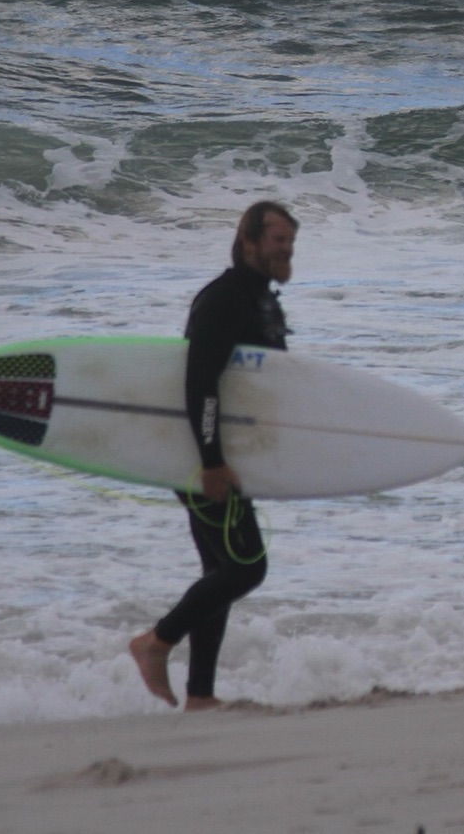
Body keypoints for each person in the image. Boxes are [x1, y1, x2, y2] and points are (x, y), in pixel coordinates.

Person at [128, 200, 297, 710]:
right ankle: (156, 642)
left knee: (219, 573)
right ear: (248, 242)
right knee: (247, 568)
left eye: (291, 242)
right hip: (203, 460)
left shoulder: (262, 301)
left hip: (228, 457)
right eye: (278, 241)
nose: (287, 251)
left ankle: (201, 694)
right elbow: (199, 384)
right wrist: (212, 461)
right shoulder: (223, 301)